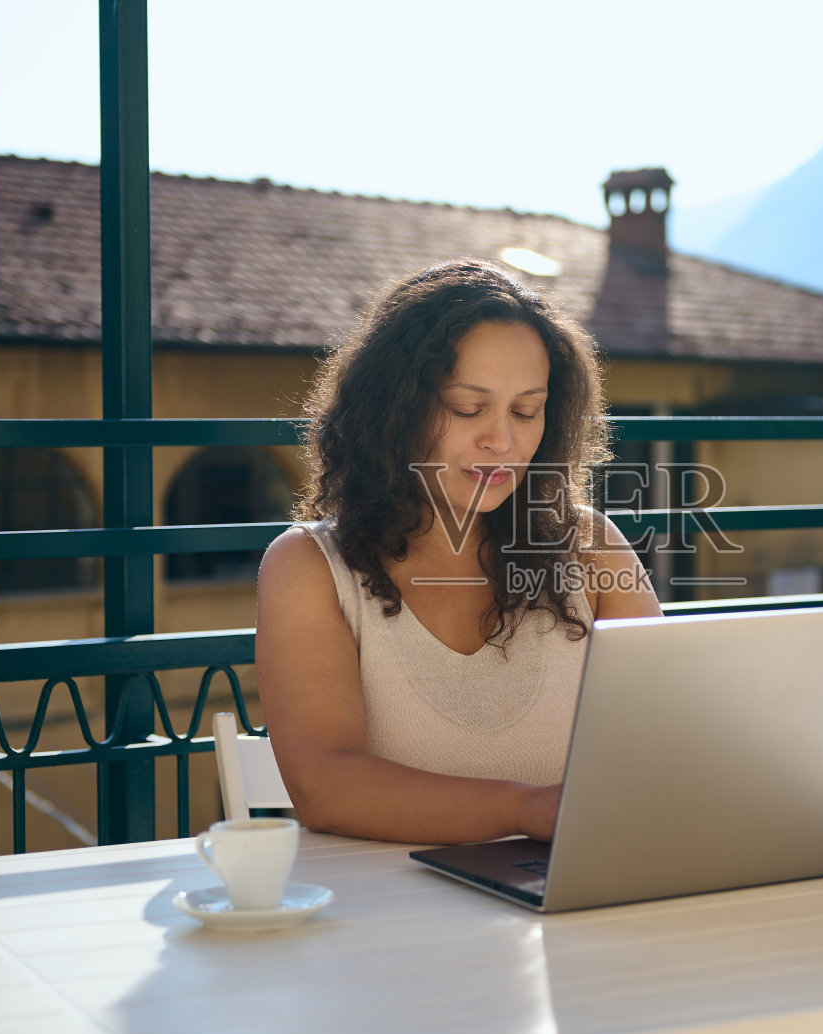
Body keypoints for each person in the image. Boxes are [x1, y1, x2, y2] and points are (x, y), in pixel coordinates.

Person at [255, 259, 661, 845]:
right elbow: (325, 786)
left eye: (526, 411)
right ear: (392, 410)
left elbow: (669, 736)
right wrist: (526, 810)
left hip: (575, 905)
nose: (503, 439)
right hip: (391, 920)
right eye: (468, 408)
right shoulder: (309, 568)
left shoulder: (592, 549)